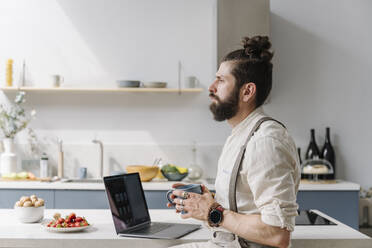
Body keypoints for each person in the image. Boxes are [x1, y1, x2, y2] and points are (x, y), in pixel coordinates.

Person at [168, 36, 300, 248]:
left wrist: (212, 212)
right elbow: (244, 208)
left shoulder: (265, 141)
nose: (211, 87)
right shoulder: (241, 135)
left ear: (247, 91)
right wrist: (205, 203)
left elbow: (277, 235)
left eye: (221, 80)